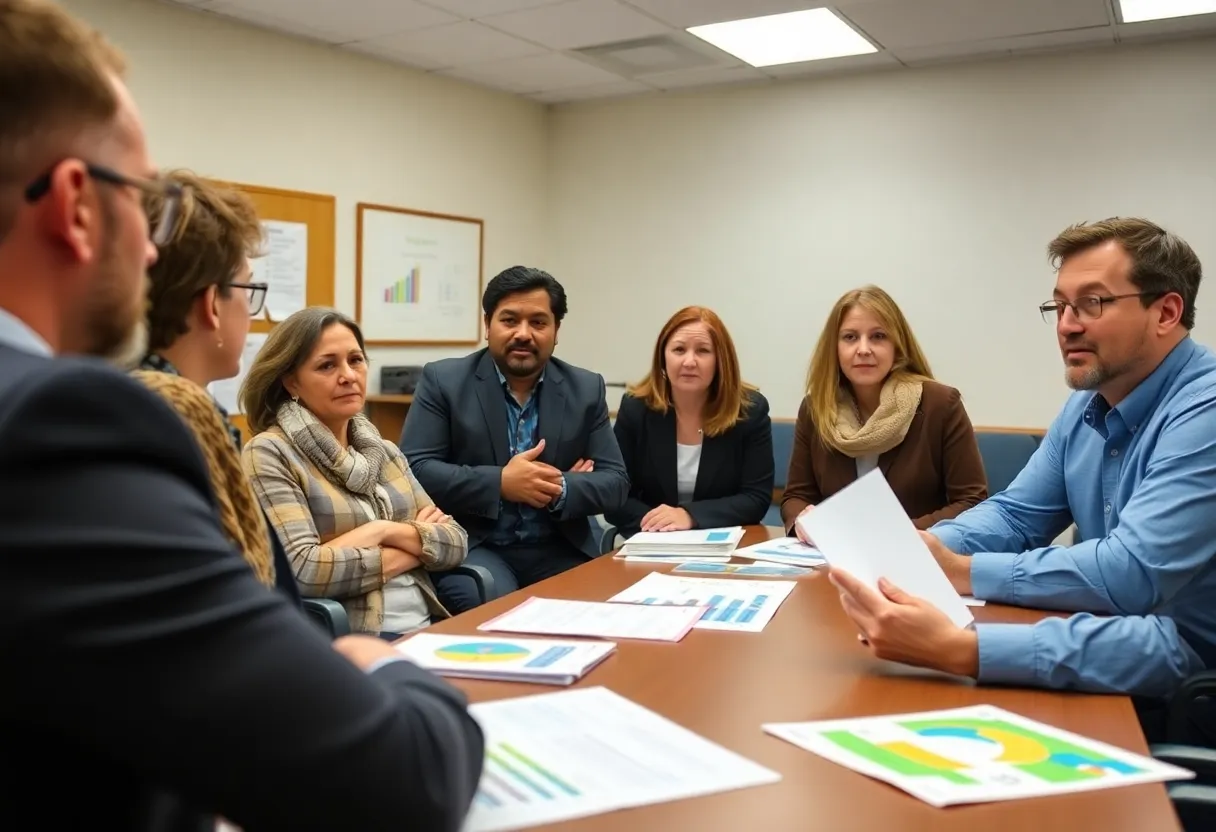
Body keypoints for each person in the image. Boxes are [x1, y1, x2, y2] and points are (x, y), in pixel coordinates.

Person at [0, 3, 482, 829]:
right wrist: (381, 666)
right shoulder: (63, 428)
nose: (150, 252)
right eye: (138, 197)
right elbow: (403, 781)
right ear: (77, 205)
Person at [829, 218, 1216, 713]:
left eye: (1092, 303)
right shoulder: (1086, 404)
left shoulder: (1203, 408)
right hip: (1118, 646)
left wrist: (962, 608)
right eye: (1060, 306)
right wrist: (922, 549)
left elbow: (1131, 575)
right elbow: (1016, 515)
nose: (1067, 325)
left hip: (1187, 684)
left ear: (1166, 312)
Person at [401, 265, 630, 613]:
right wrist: (502, 483)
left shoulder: (585, 389)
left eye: (538, 322)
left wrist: (558, 486)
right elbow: (415, 470)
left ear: (556, 330)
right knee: (502, 610)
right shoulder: (443, 381)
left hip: (559, 545)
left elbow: (615, 483)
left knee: (601, 608)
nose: (523, 334)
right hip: (477, 544)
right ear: (487, 325)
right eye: (509, 320)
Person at [242, 307, 469, 640]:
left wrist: (382, 532)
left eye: (356, 360)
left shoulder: (384, 451)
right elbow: (303, 570)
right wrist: (413, 544)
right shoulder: (270, 452)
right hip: (356, 637)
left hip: (429, 624)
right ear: (291, 382)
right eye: (327, 365)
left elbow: (456, 541)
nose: (348, 375)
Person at [130, 169, 301, 600]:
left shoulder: (123, 401)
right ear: (211, 304)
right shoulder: (176, 419)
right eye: (248, 288)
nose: (251, 310)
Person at [782, 285, 986, 540]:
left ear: (897, 345)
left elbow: (971, 501)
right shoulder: (816, 408)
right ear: (834, 347)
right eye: (850, 337)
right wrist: (802, 520)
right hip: (835, 555)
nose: (863, 349)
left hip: (917, 552)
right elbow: (796, 496)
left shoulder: (940, 404)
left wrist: (898, 534)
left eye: (878, 336)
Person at [606, 305, 773, 539]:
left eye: (703, 351)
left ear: (721, 360)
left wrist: (689, 516)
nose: (689, 361)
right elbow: (614, 495)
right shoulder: (636, 409)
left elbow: (755, 498)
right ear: (663, 357)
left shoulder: (749, 412)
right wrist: (662, 525)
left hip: (722, 541)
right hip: (652, 541)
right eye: (679, 349)